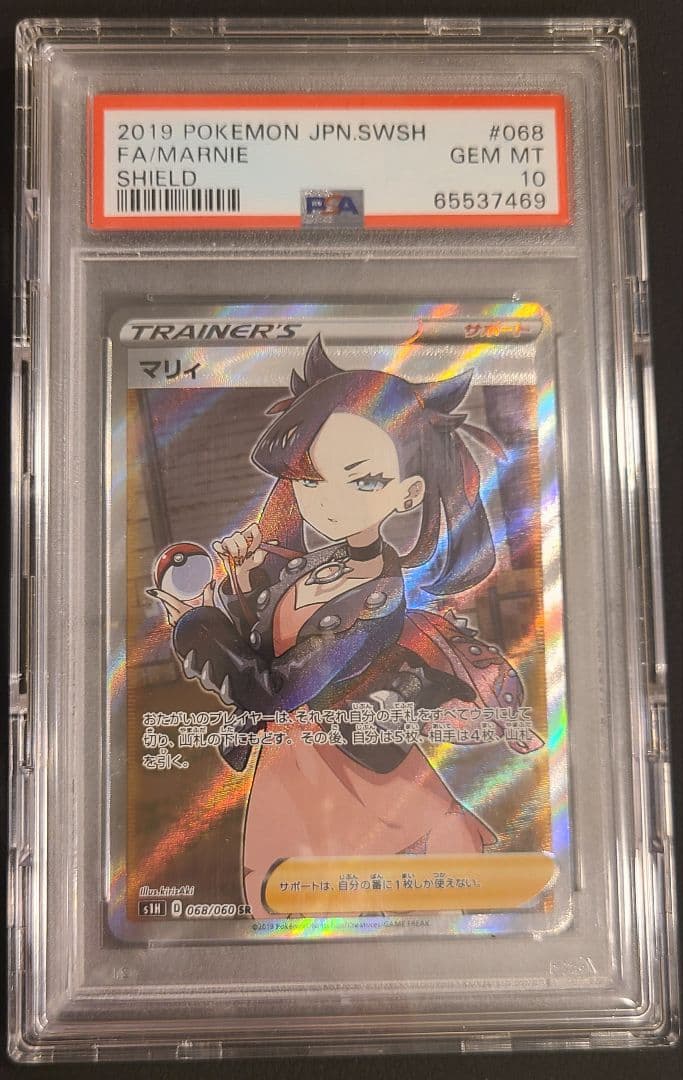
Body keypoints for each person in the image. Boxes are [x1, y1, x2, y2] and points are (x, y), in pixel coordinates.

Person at [151, 335, 533, 915]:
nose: (326, 500)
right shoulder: (317, 563)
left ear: (408, 494)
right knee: (287, 908)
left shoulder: (375, 598)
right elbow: (265, 642)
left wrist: (195, 626)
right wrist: (232, 587)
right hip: (293, 767)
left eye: (362, 481)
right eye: (311, 478)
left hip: (358, 775)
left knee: (371, 906)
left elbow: (272, 688)